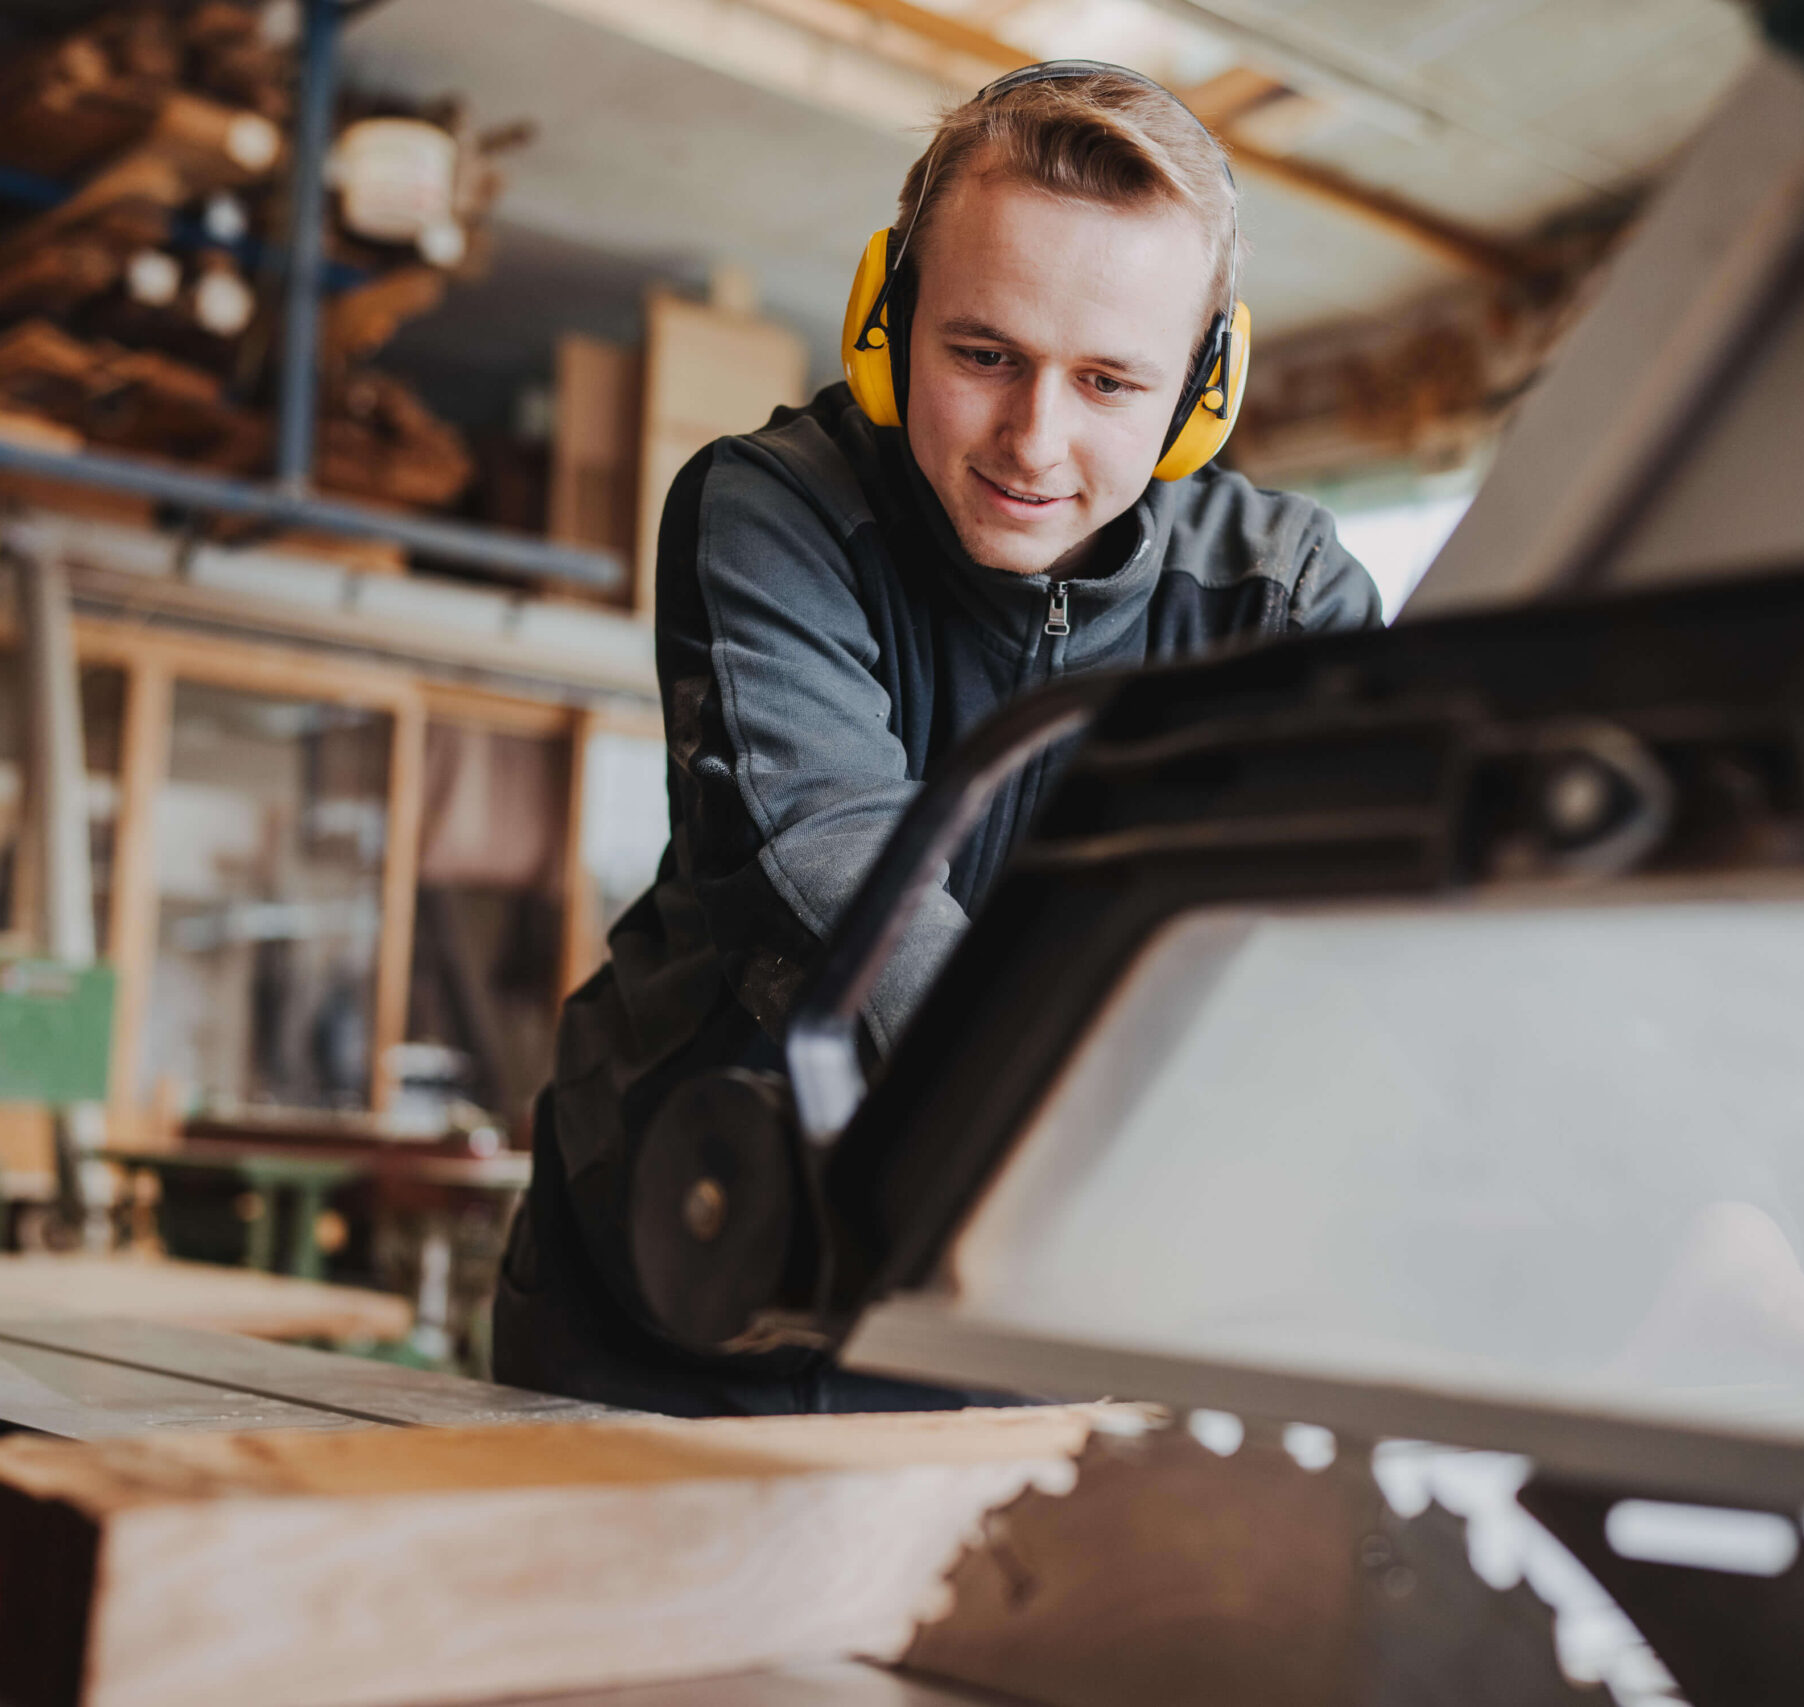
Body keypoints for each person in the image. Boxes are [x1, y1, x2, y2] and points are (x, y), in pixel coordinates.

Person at [493, 61, 1382, 1415]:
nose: (1036, 439)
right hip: (686, 1295)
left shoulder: (1283, 595)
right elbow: (843, 860)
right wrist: (1095, 1149)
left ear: (1204, 392)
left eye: (1107, 382)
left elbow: (1331, 948)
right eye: (984, 357)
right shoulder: (772, 510)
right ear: (887, 321)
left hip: (1022, 1319)